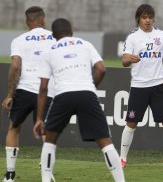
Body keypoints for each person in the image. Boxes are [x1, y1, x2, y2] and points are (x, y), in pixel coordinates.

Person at [33, 18, 125, 182]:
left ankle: (46, 179)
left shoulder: (49, 51)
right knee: (106, 143)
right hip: (87, 94)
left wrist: (39, 118)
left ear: (53, 35)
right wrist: (90, 86)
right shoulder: (85, 44)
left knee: (50, 141)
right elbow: (101, 69)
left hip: (63, 95)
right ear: (72, 32)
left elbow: (43, 88)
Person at [119, 4, 163, 170]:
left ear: (153, 18)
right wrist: (129, 59)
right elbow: (124, 60)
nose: (147, 20)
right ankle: (122, 159)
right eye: (144, 17)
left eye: (150, 17)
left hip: (158, 86)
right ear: (138, 19)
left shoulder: (162, 35)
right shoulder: (133, 37)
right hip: (139, 87)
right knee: (131, 123)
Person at [1, 6, 56, 182]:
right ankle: (47, 174)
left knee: (14, 127)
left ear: (27, 22)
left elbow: (15, 66)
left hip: (24, 89)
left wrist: (10, 94)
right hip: (47, 90)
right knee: (47, 133)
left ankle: (9, 175)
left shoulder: (19, 40)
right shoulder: (55, 38)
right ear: (43, 20)